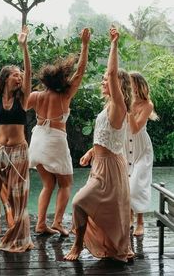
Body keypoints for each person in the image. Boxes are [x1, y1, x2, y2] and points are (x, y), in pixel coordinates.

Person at [64, 27, 134, 262]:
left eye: (106, 80)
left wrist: (113, 44)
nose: (103, 81)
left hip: (111, 169)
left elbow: (113, 73)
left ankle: (78, 245)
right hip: (101, 165)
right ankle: (83, 244)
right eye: (103, 80)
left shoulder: (119, 106)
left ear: (118, 85)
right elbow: (109, 136)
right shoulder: (108, 108)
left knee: (79, 202)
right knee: (100, 209)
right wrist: (91, 151)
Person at [27, 28, 90, 236]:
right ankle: (57, 222)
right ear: (62, 80)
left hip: (36, 141)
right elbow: (80, 71)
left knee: (48, 184)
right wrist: (84, 45)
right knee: (65, 184)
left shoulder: (35, 96)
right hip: (55, 140)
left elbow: (19, 105)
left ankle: (40, 223)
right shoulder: (64, 96)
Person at [0, 26, 34, 253]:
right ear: (6, 79)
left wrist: (24, 46)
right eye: (15, 75)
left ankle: (16, 232)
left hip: (19, 152)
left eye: (20, 75)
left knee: (15, 195)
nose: (19, 77)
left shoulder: (24, 98)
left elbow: (30, 71)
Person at [124, 71, 158, 236]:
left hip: (141, 148)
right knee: (126, 185)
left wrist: (128, 108)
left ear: (138, 85)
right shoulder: (122, 101)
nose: (129, 86)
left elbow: (135, 128)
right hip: (124, 145)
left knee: (138, 185)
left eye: (131, 83)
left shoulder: (147, 105)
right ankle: (129, 218)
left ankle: (140, 222)